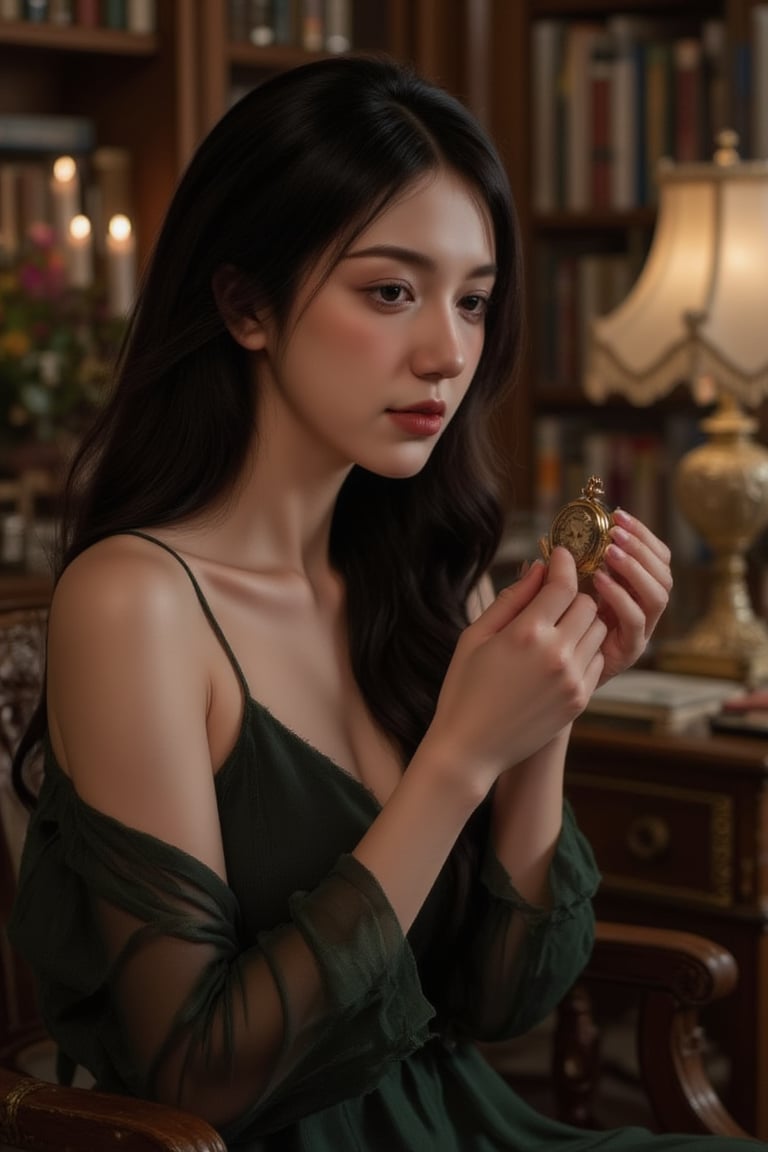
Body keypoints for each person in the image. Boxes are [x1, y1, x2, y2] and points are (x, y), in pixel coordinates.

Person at [7, 54, 757, 1152]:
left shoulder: (427, 573)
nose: (448, 353)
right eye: (391, 291)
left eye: (474, 301)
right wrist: (457, 759)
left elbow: (502, 1004)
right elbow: (197, 1077)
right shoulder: (135, 603)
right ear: (245, 304)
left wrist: (546, 720)